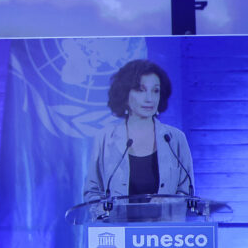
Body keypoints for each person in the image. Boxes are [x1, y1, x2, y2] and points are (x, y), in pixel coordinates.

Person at [82, 59, 194, 204]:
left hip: (164, 225)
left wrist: (168, 203)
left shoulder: (175, 139)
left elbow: (186, 192)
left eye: (155, 91)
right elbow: (92, 192)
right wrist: (104, 211)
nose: (149, 99)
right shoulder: (104, 138)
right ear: (125, 94)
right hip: (118, 224)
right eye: (140, 90)